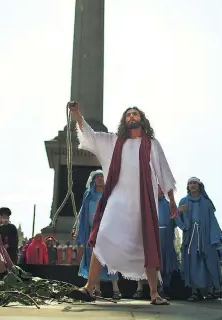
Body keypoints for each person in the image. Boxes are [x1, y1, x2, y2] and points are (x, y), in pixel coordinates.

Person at [68, 102, 177, 305]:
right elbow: (91, 136)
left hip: (142, 201)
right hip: (118, 198)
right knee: (103, 235)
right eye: (128, 115)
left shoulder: (152, 144)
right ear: (124, 121)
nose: (131, 117)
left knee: (147, 243)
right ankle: (88, 288)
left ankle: (154, 293)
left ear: (142, 119)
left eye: (135, 114)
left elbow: (164, 171)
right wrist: (77, 115)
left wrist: (171, 200)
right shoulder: (114, 141)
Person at [73, 170, 121, 299]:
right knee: (93, 260)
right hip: (92, 232)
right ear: (93, 180)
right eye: (97, 177)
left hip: (107, 231)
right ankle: (96, 289)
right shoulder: (88, 195)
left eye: (101, 177)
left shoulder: (109, 194)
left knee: (110, 259)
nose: (99, 179)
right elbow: (82, 212)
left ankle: (115, 289)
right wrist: (76, 227)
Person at [177, 177, 222, 301]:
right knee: (192, 263)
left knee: (208, 262)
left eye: (194, 183)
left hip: (205, 236)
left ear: (199, 186)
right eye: (190, 183)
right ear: (188, 186)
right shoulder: (183, 201)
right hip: (191, 237)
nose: (192, 185)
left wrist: (219, 236)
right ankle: (195, 291)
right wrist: (180, 216)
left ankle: (212, 290)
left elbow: (213, 220)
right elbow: (176, 218)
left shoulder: (206, 203)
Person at [157, 185, 179, 297]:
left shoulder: (169, 204)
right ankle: (158, 288)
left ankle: (166, 286)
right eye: (157, 188)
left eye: (162, 188)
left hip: (167, 237)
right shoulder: (151, 204)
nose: (160, 190)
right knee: (157, 262)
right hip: (155, 238)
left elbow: (176, 221)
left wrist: (180, 214)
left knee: (168, 262)